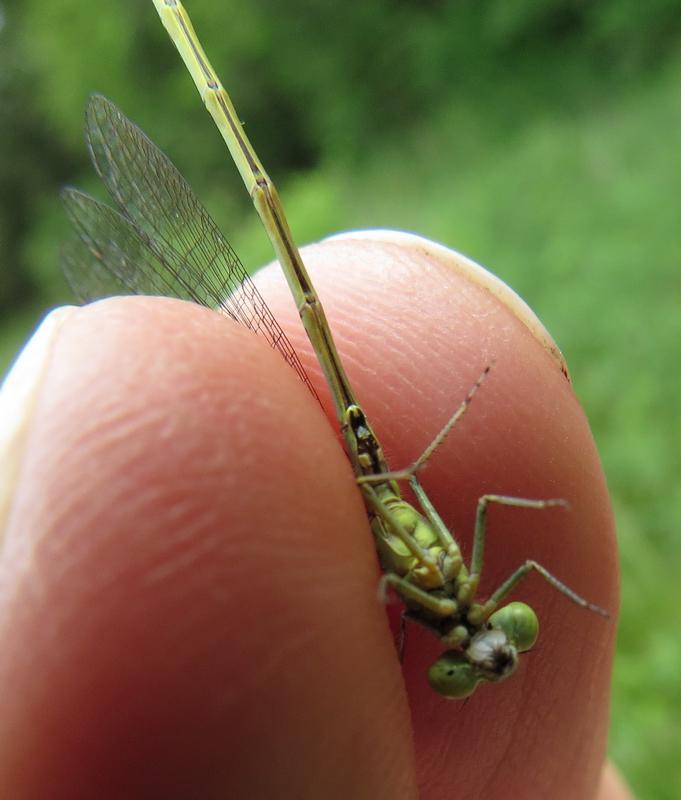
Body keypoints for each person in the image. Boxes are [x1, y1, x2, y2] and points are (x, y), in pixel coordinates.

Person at [0, 233, 631, 798]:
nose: (490, 643)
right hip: (375, 467)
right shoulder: (461, 596)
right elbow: (449, 509)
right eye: (505, 639)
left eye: (473, 662)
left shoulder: (431, 608)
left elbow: (391, 578)